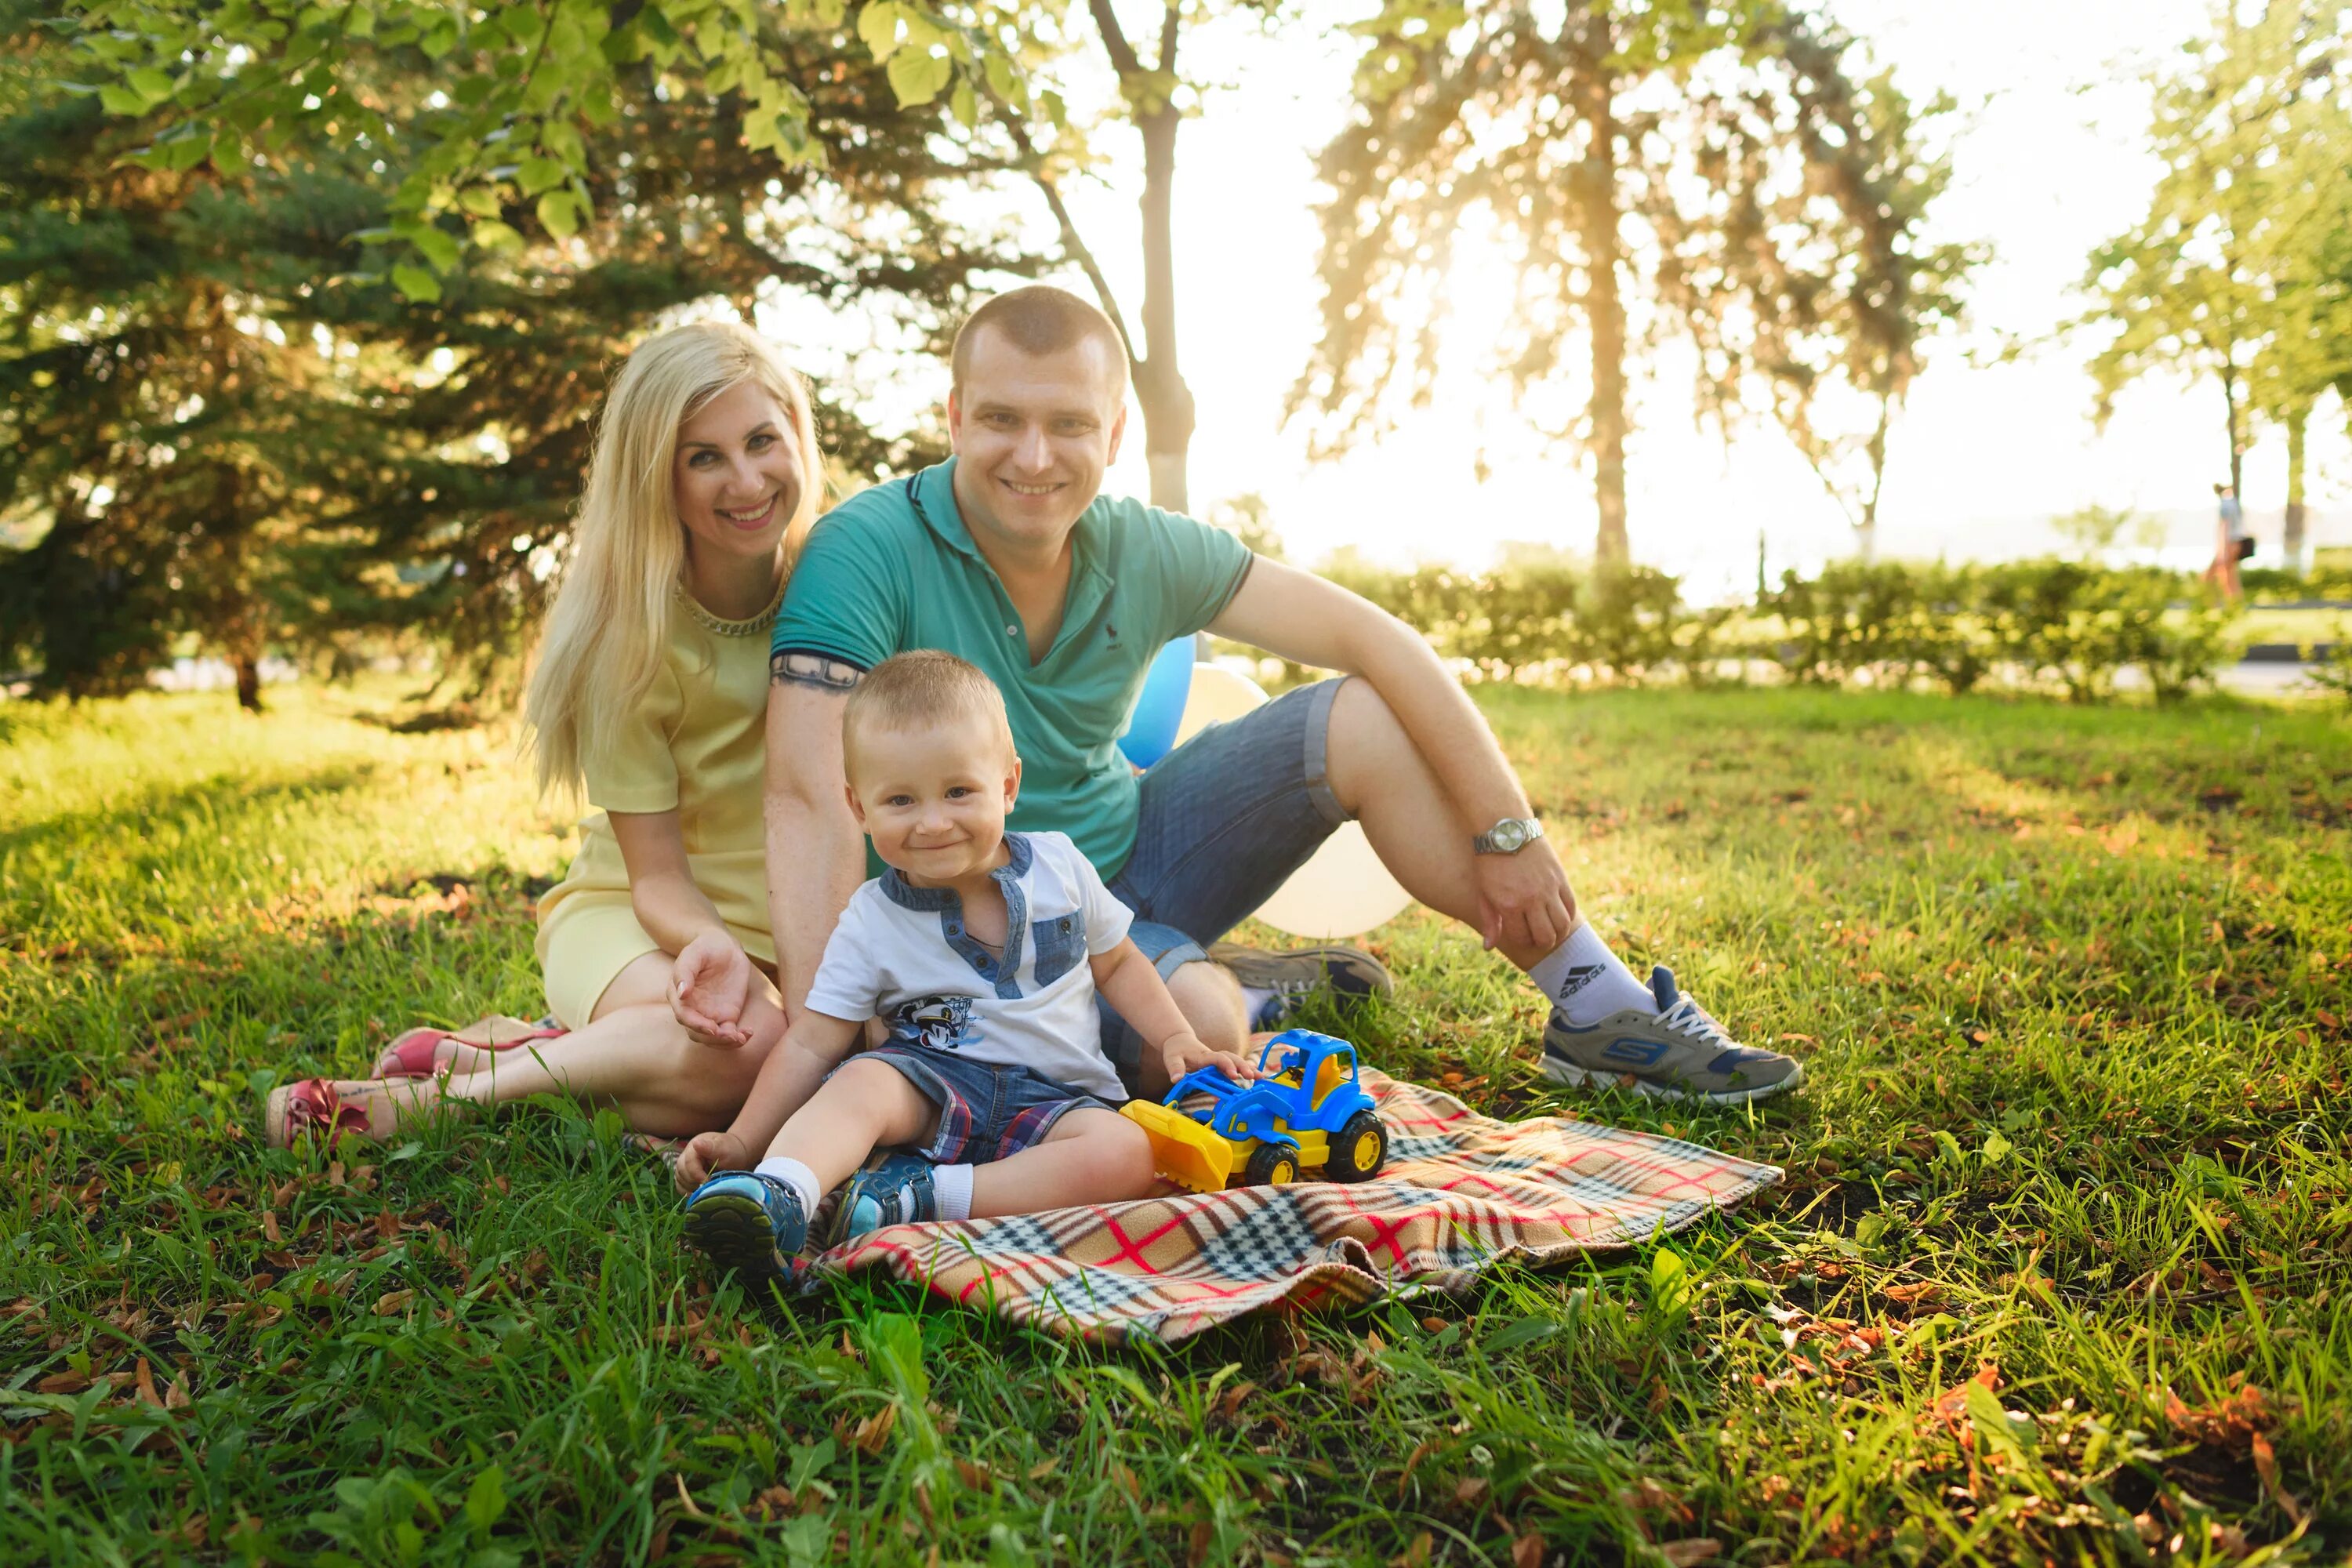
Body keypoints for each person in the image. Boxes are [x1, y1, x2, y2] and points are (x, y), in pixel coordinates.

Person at [736, 284, 1800, 1117]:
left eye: (1069, 425)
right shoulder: (864, 550)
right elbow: (803, 797)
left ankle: (1599, 1008)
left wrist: (1509, 828)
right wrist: (842, 1031)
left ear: (1112, 438)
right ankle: (1253, 989)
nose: (1033, 455)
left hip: (1141, 862)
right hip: (969, 922)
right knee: (1186, 1042)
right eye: (1002, 419)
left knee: (1361, 711)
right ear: (955, 415)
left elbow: (1377, 639)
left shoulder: (1147, 547)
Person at [263, 320, 816, 1145]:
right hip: (641, 925)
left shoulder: (840, 588)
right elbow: (656, 879)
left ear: (799, 437)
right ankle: (445, 1103)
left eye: (762, 440)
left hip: (786, 941)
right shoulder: (631, 643)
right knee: (763, 1056)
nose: (746, 479)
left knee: (813, 1069)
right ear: (654, 477)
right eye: (704, 456)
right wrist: (715, 946)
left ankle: (530, 1053)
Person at [672, 652, 1255, 1283]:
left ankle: (923, 1200)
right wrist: (742, 1139)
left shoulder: (1060, 868)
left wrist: (1174, 1036)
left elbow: (1117, 963)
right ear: (859, 808)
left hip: (1057, 1098)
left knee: (1127, 1153)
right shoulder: (871, 918)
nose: (932, 822)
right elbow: (812, 1043)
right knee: (859, 1085)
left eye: (958, 791)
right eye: (899, 799)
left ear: (1007, 785)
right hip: (927, 1084)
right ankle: (780, 1190)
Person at [2206, 481, 2249, 601]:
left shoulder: (2225, 505)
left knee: (2224, 573)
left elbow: (2225, 526)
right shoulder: (2234, 503)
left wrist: (2223, 548)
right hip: (2237, 541)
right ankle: (2233, 600)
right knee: (2229, 572)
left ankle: (2218, 599)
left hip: (2229, 543)